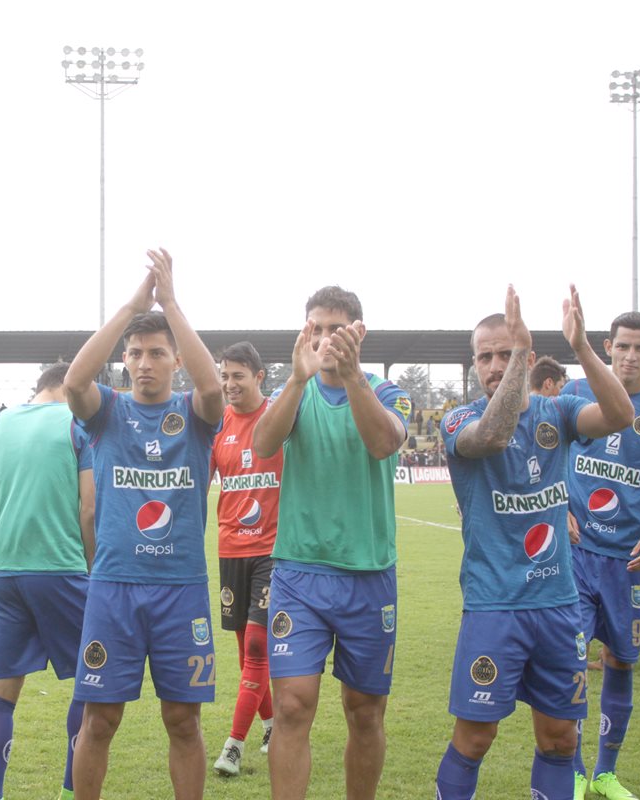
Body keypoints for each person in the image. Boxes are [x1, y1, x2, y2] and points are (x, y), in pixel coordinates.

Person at [434, 285, 633, 800]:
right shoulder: (458, 420)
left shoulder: (559, 412)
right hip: (494, 606)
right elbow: (493, 436)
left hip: (558, 606)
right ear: (474, 363)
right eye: (486, 356)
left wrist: (585, 348)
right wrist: (523, 355)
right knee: (476, 737)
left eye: (506, 352)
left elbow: (620, 416)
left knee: (561, 738)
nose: (495, 363)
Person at [63, 248, 223, 800]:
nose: (145, 362)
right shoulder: (107, 411)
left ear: (175, 359)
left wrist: (172, 304)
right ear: (125, 360)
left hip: (181, 588)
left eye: (157, 352)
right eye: (136, 353)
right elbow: (74, 381)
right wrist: (133, 306)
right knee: (99, 721)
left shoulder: (195, 416)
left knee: (183, 722)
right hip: (115, 588)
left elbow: (213, 389)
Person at [254, 287, 411, 800]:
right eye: (314, 328)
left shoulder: (387, 392)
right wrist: (297, 378)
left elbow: (383, 442)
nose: (323, 338)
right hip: (300, 575)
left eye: (335, 328)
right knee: (293, 705)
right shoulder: (296, 390)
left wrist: (353, 375)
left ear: (357, 332)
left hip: (368, 576)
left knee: (364, 710)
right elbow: (261, 445)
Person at [561, 311, 640, 799]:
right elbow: (548, 457)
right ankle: (573, 771)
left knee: (620, 662)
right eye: (623, 346)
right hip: (574, 556)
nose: (630, 356)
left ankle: (607, 773)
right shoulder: (576, 390)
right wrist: (557, 508)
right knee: (570, 662)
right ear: (606, 346)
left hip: (629, 563)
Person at [0, 362, 95, 800]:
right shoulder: (78, 423)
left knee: (1, 693)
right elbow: (89, 510)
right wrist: (93, 567)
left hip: (5, 570)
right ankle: (69, 791)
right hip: (61, 567)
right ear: (70, 386)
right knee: (91, 684)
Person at [209, 342, 283, 778]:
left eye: (238, 375)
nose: (229, 384)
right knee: (244, 650)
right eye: (225, 375)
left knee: (257, 646)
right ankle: (272, 725)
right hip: (230, 550)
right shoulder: (218, 425)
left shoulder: (281, 416)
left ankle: (233, 746)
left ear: (259, 377)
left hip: (274, 552)